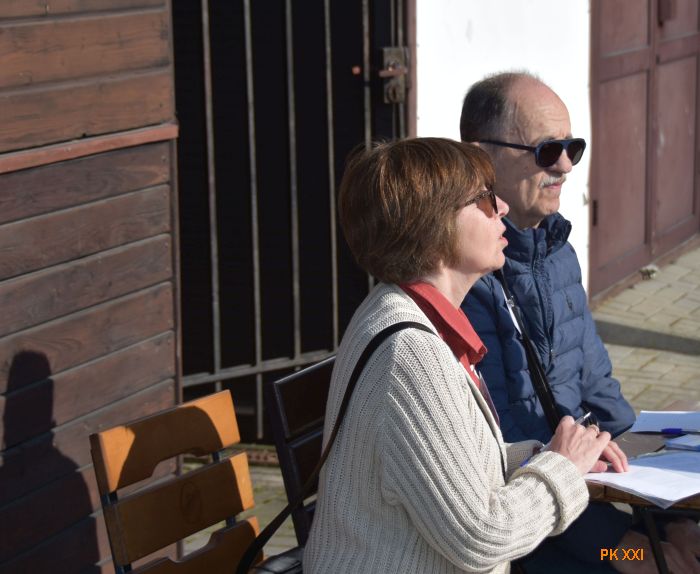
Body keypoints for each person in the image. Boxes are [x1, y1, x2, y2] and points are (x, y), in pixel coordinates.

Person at [303, 137, 627, 574]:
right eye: (485, 200)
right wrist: (562, 468)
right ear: (434, 228)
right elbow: (482, 536)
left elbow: (459, 467)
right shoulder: (411, 356)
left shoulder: (407, 314)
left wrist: (551, 453)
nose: (502, 209)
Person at [460, 71, 700, 574]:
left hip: (586, 503)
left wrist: (669, 514)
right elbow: (507, 456)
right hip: (536, 530)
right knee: (653, 564)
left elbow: (601, 393)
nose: (565, 166)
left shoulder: (557, 252)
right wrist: (630, 546)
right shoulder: (467, 279)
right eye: (547, 150)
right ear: (483, 156)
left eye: (573, 148)